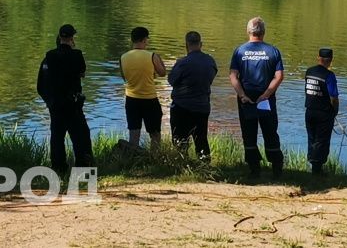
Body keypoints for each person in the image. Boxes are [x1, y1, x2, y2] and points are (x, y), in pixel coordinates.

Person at [229, 16, 285, 179]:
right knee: (270, 132)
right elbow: (279, 76)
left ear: (248, 31)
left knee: (249, 133)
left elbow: (233, 76)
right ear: (264, 32)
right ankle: (277, 169)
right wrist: (266, 94)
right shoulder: (273, 51)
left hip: (246, 101)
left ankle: (254, 170)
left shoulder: (239, 51)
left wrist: (242, 95)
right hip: (266, 101)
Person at [37, 24, 93, 174]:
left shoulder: (48, 57)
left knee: (57, 137)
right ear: (72, 38)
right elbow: (82, 73)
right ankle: (83, 168)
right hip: (72, 104)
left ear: (59, 37)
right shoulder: (77, 55)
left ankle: (58, 168)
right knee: (81, 136)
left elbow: (41, 85)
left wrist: (49, 101)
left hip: (55, 105)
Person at [167, 31, 218, 161]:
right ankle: (204, 166)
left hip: (181, 107)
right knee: (201, 139)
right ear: (201, 44)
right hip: (202, 107)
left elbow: (171, 80)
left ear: (186, 45)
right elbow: (210, 78)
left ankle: (181, 165)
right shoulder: (210, 61)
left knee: (180, 140)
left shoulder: (182, 63)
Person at [120, 26, 167, 150]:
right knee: (155, 134)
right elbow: (162, 73)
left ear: (132, 40)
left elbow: (124, 77)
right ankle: (155, 160)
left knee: (134, 134)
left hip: (131, 99)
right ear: (145, 40)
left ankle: (132, 159)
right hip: (149, 99)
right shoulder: (152, 56)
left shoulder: (123, 57)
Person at [304, 48, 340, 176]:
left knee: (311, 138)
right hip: (323, 113)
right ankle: (317, 171)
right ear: (330, 61)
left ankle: (312, 165)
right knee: (322, 141)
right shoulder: (329, 76)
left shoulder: (309, 72)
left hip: (309, 111)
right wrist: (335, 111)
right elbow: (334, 97)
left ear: (318, 58)